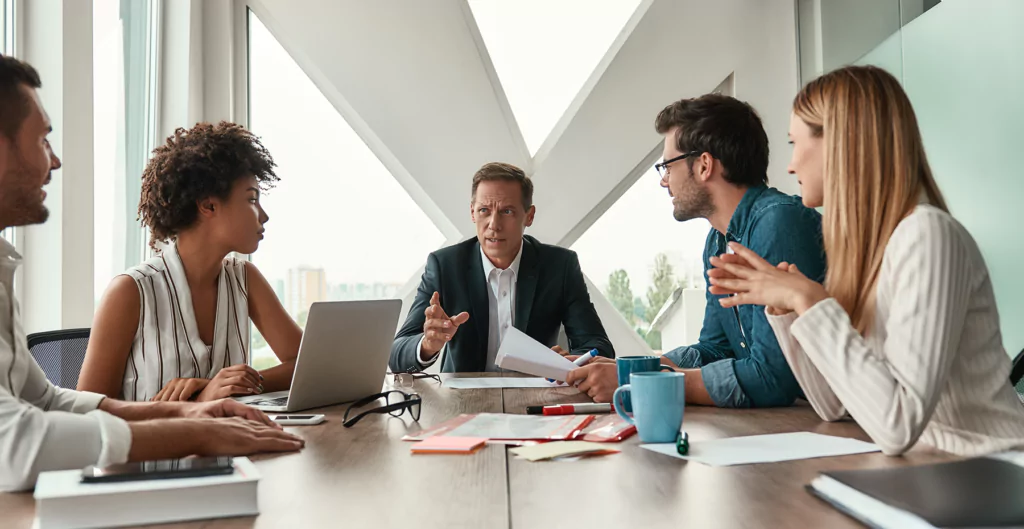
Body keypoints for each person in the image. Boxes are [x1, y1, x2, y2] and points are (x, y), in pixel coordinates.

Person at [0, 55, 302, 491]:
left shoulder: (3, 269)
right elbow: (14, 446)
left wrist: (191, 411)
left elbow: (48, 401)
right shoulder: (132, 291)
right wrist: (193, 428)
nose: (57, 160)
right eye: (44, 139)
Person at [707, 65, 1024, 456]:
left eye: (794, 143)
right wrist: (787, 310)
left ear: (841, 143)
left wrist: (812, 302)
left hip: (997, 471)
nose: (790, 166)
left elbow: (896, 426)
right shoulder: (872, 251)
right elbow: (835, 406)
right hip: (934, 471)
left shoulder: (927, 235)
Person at [567, 94, 826, 406]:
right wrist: (631, 369)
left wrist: (638, 383)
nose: (664, 181)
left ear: (704, 165)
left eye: (667, 166)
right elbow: (716, 349)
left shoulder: (777, 223)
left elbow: (773, 378)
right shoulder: (718, 241)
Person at [76, 121, 302, 402]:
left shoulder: (246, 279)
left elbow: (307, 364)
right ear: (208, 206)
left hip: (232, 443)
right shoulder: (130, 292)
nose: (263, 215)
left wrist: (230, 386)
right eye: (251, 199)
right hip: (153, 447)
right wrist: (203, 396)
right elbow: (87, 413)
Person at [390, 162, 613, 373]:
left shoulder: (560, 266)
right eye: (484, 210)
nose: (494, 225)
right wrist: (428, 345)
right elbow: (397, 355)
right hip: (463, 402)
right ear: (472, 213)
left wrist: (575, 363)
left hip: (537, 398)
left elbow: (597, 345)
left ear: (530, 215)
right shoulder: (445, 266)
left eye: (507, 211)